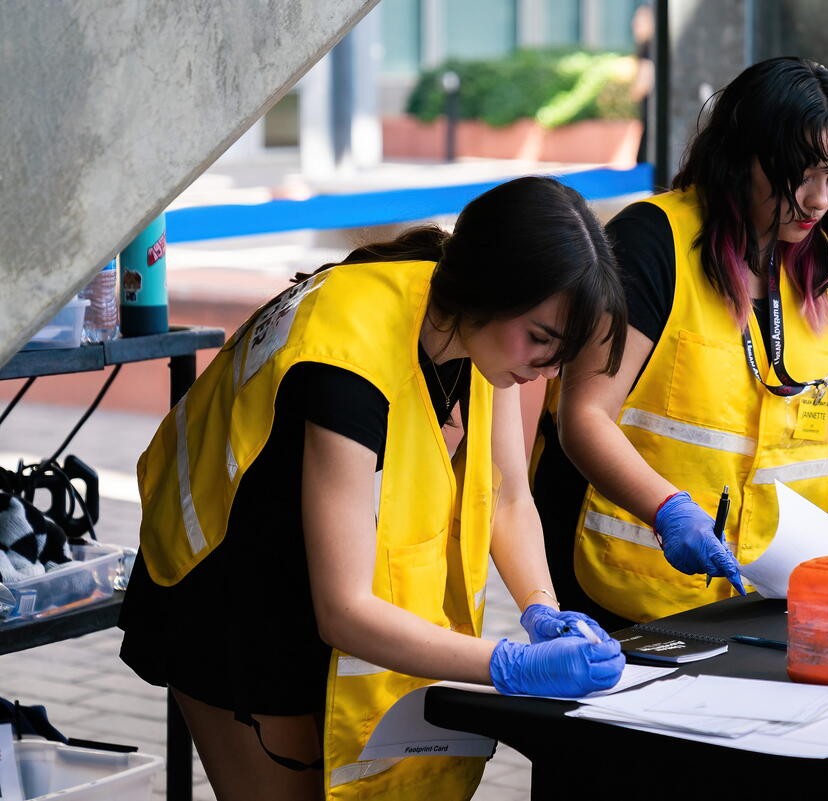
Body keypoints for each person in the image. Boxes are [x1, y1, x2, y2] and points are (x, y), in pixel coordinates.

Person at [118, 176, 628, 801]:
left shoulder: (476, 331)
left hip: (306, 572)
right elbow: (344, 611)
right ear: (489, 290)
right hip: (228, 593)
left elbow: (507, 497)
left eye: (560, 351)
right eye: (542, 340)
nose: (546, 369)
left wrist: (541, 609)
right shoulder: (347, 362)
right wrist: (508, 665)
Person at [531, 57, 828, 629]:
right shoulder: (652, 241)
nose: (818, 200)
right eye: (801, 175)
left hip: (770, 584)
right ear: (742, 159)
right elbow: (585, 415)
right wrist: (668, 511)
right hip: (626, 582)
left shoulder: (825, 260)